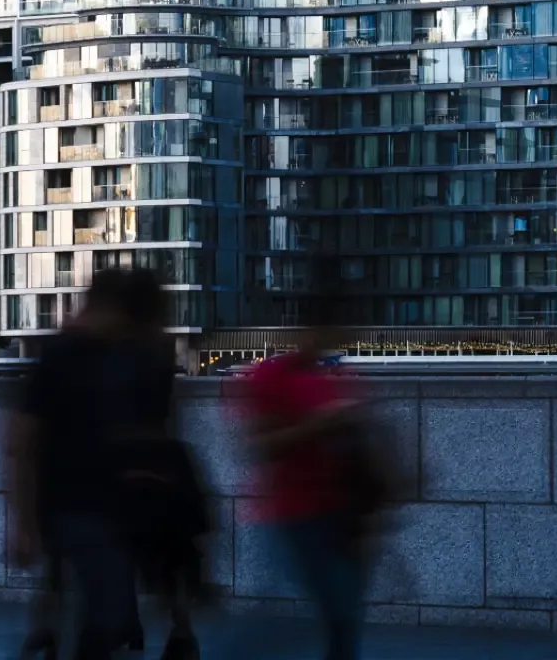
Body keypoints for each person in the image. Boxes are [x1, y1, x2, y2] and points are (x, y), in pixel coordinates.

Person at [237, 312, 390, 660]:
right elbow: (261, 446)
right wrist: (321, 424)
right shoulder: (272, 377)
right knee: (320, 615)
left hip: (337, 514)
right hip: (295, 514)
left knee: (341, 616)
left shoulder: (329, 379)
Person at [8, 270, 144, 660]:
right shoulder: (63, 357)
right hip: (73, 508)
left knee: (98, 615)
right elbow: (21, 440)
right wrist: (22, 525)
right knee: (105, 614)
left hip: (92, 507)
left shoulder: (100, 355)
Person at [112, 269, 206, 660]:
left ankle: (127, 623)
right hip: (162, 456)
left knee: (120, 545)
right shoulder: (160, 347)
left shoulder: (114, 352)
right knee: (170, 552)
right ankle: (181, 629)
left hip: (124, 460)